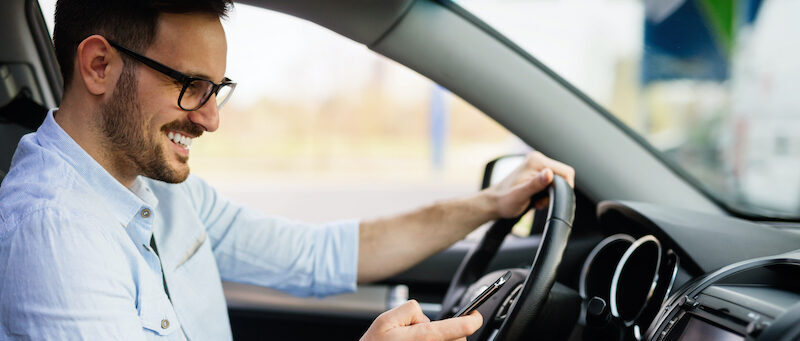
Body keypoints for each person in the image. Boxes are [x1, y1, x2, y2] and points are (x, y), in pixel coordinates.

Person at [0, 0, 575, 340]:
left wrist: (488, 205)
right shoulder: (53, 235)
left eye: (216, 90)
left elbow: (318, 254)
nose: (210, 119)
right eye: (190, 87)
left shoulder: (158, 188)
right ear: (99, 65)